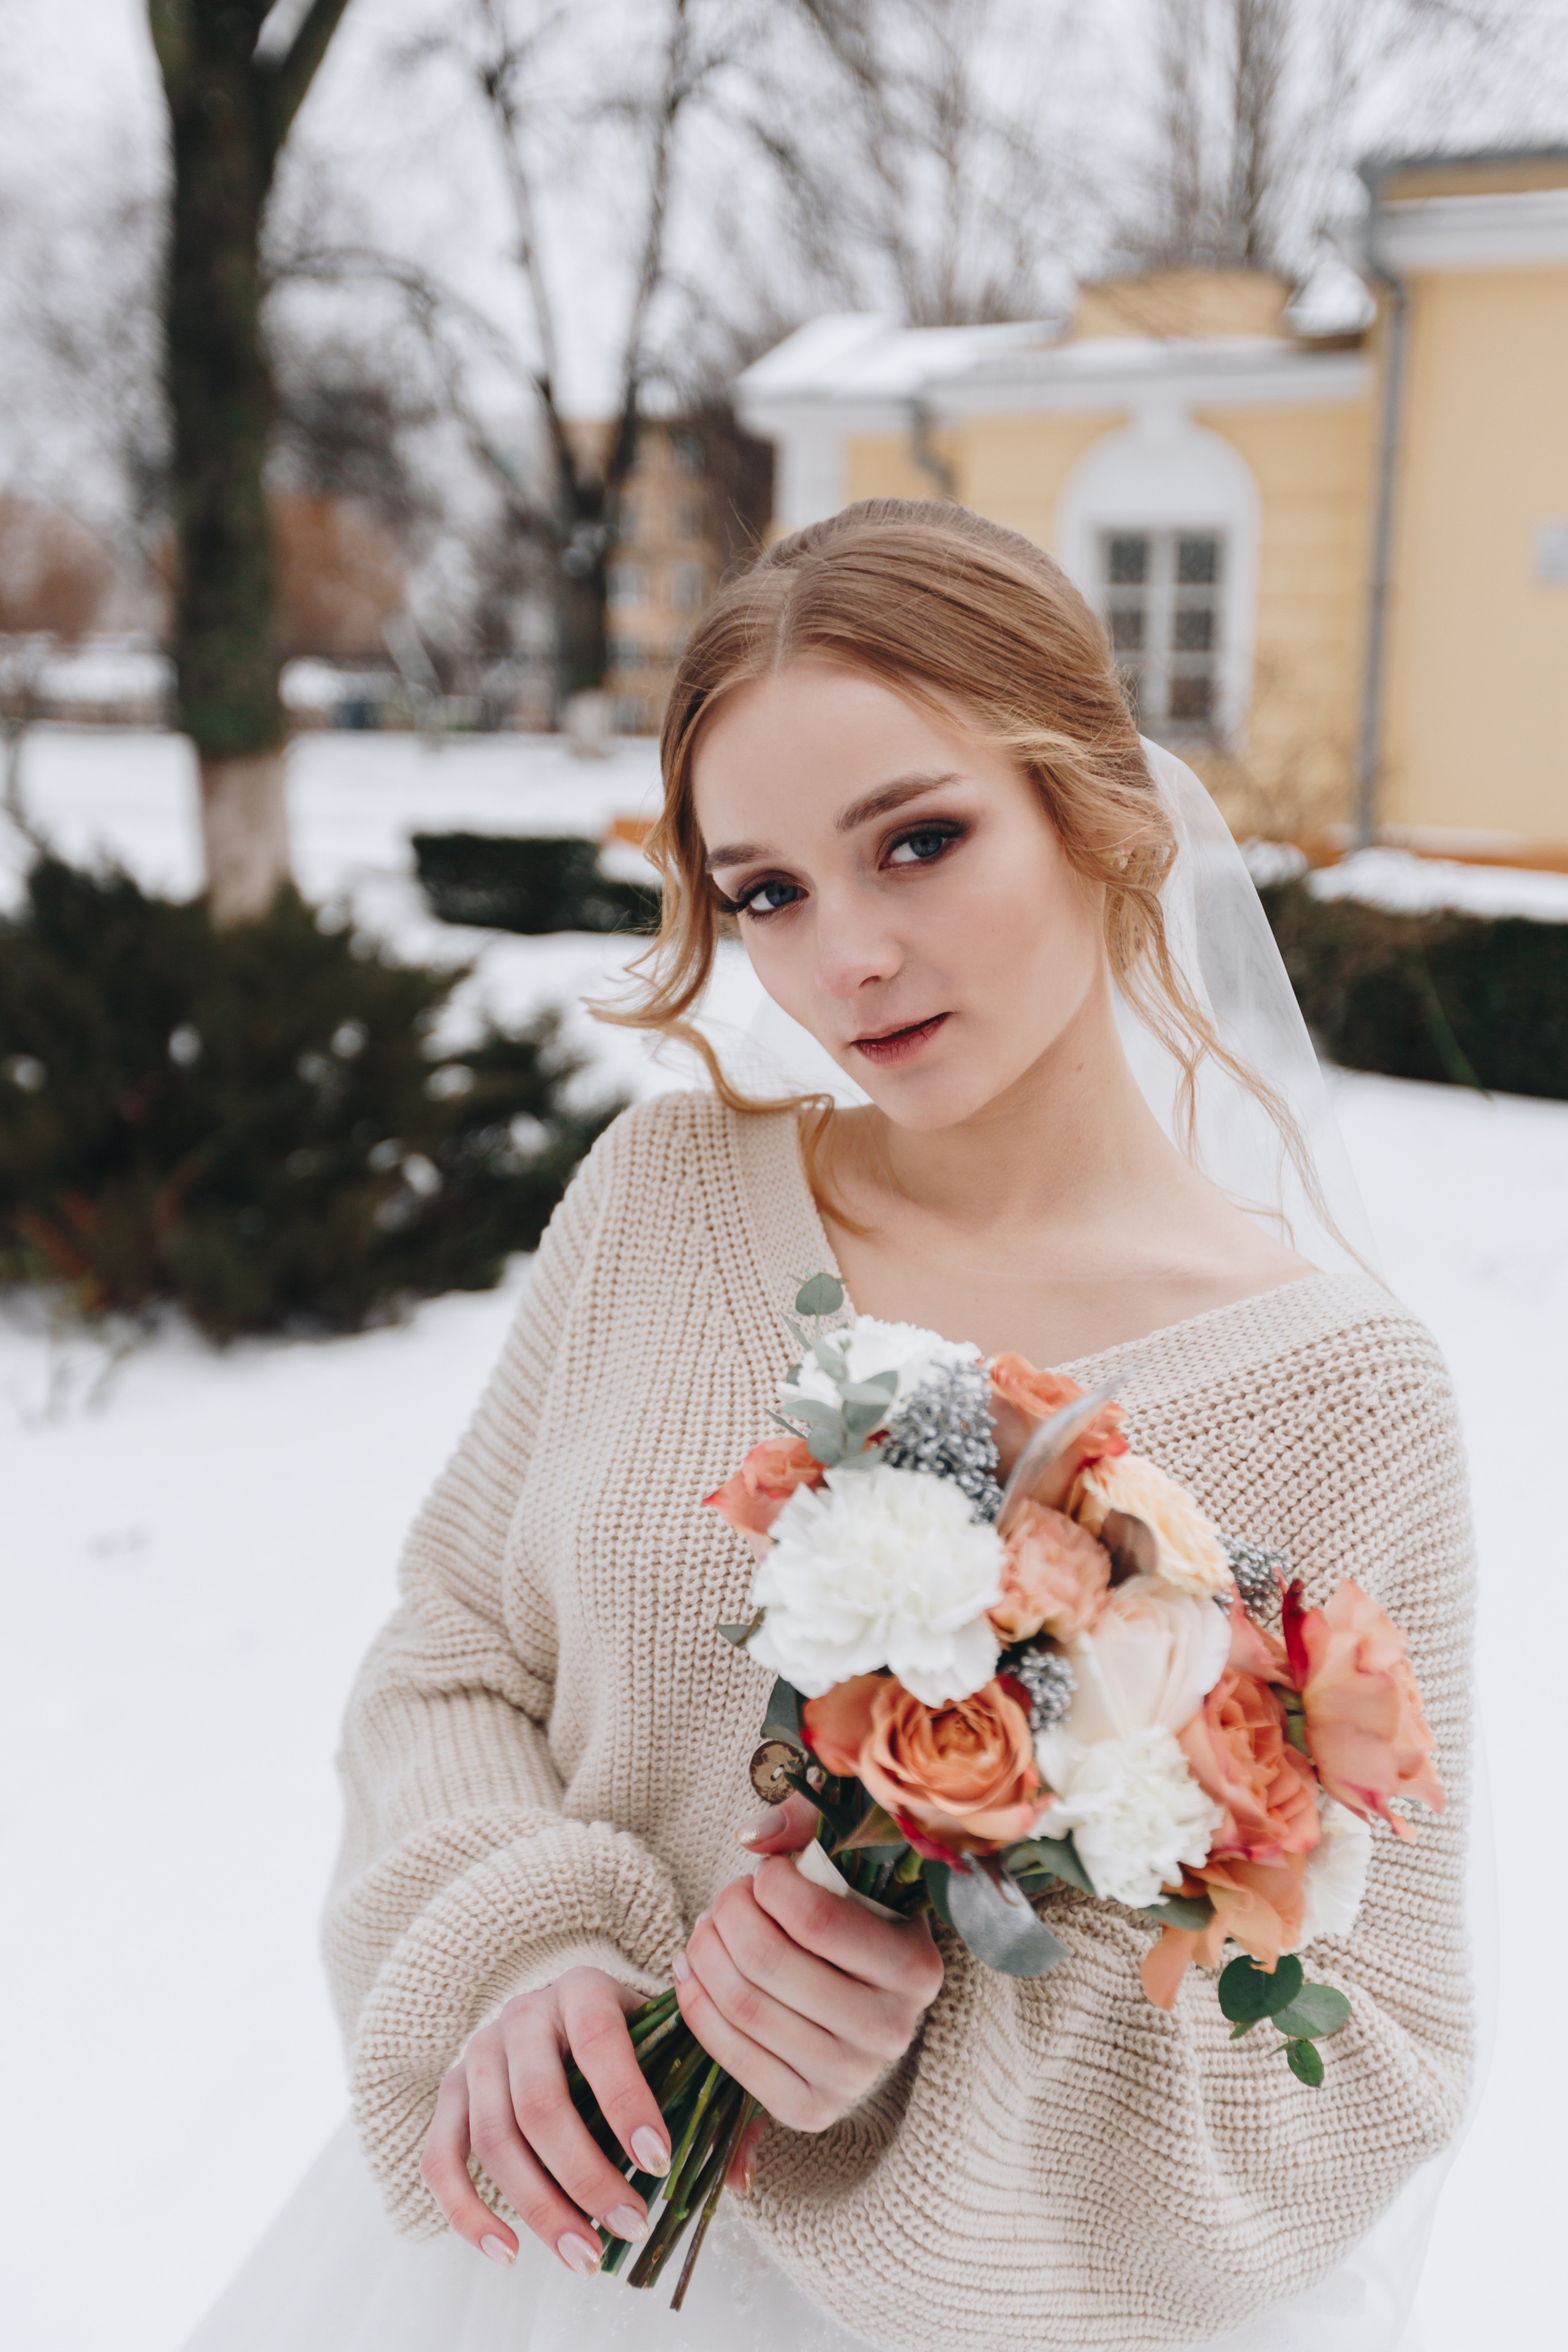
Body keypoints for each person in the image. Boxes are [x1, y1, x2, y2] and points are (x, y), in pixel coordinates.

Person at [185, 503, 1472, 2352]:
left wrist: (935, 2032)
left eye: (919, 842)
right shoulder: (663, 1201)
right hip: (557, 2252)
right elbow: (455, 1655)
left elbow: (1379, 2057)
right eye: (768, 892)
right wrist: (528, 1940)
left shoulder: (1341, 1396)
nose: (845, 955)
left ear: (1097, 807)